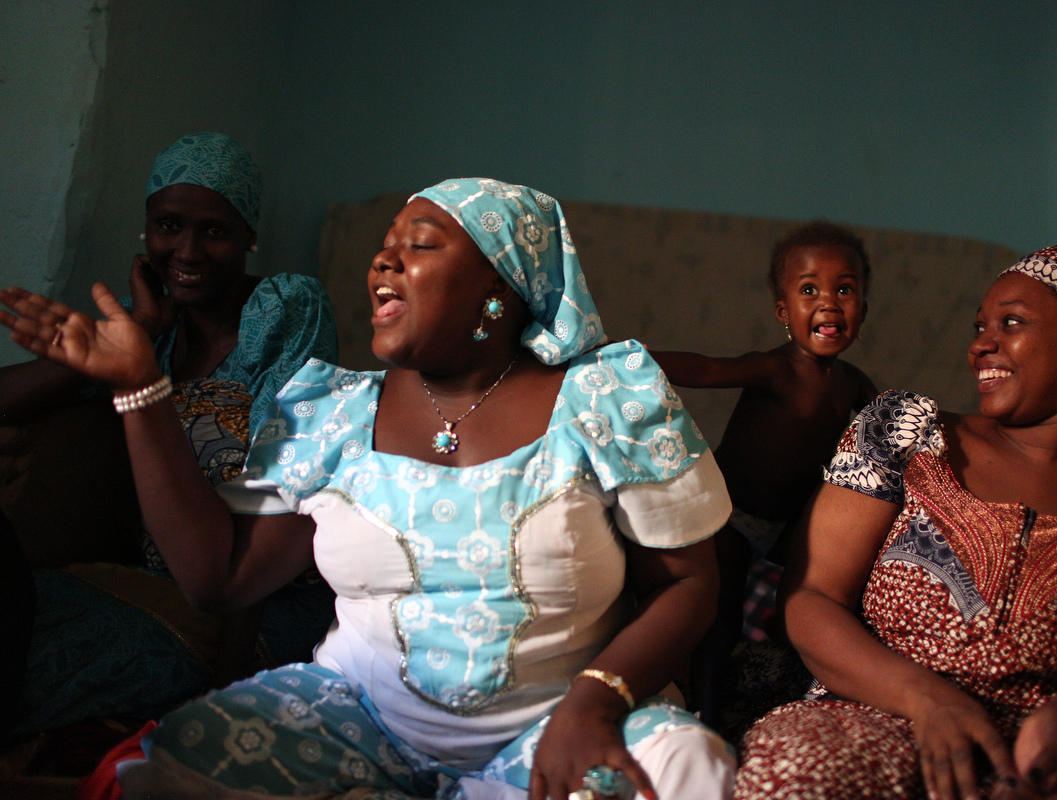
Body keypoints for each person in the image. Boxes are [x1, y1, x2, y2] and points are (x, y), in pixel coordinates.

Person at [1, 177, 737, 799]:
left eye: (419, 244)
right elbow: (220, 578)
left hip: (556, 720)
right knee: (180, 760)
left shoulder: (607, 399)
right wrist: (142, 390)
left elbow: (688, 584)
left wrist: (597, 702)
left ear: (499, 288)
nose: (384, 257)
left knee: (683, 767)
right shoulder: (333, 413)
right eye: (386, 242)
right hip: (357, 721)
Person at [735, 237, 1057, 800]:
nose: (983, 345)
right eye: (980, 327)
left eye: (1011, 323)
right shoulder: (906, 432)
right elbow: (811, 600)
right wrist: (928, 701)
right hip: (879, 711)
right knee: (800, 772)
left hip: (1056, 739)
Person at [0, 132, 339, 743]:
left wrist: (225, 688)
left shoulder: (284, 309)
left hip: (260, 600)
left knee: (41, 667)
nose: (187, 250)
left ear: (248, 237)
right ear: (146, 231)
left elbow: (274, 481)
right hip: (153, 583)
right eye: (169, 225)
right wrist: (131, 334)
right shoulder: (154, 327)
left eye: (214, 231)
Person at [651, 222, 876, 725]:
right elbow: (708, 369)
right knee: (720, 618)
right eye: (809, 290)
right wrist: (629, 358)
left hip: (786, 528)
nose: (830, 302)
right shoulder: (778, 369)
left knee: (814, 600)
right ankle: (704, 713)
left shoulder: (856, 386)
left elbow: (894, 427)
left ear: (863, 308)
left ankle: (778, 696)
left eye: (845, 289)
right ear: (783, 312)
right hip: (732, 516)